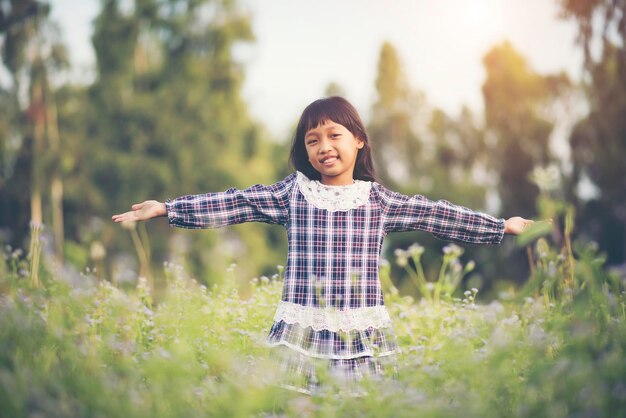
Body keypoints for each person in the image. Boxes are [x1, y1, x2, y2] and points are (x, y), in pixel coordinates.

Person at [112, 96, 533, 395]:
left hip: (360, 336)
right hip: (301, 332)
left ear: (359, 141)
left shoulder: (379, 201)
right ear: (305, 150)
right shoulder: (292, 194)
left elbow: (440, 215)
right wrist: (168, 208)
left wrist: (500, 226)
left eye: (334, 135)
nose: (324, 147)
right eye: (313, 140)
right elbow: (235, 202)